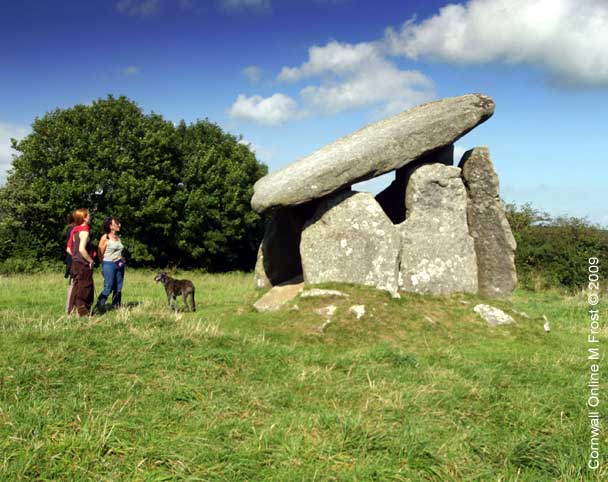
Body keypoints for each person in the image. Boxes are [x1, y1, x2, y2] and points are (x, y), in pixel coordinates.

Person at [67, 208, 95, 316]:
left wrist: (76, 257)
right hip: (83, 264)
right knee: (85, 287)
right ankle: (83, 312)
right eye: (88, 215)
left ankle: (72, 311)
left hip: (75, 263)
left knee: (76, 286)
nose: (90, 217)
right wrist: (90, 260)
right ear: (84, 217)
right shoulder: (84, 231)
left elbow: (69, 249)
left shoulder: (75, 231)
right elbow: (81, 249)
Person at [94, 216, 125, 311]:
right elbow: (100, 252)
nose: (119, 224)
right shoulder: (105, 237)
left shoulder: (118, 238)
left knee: (118, 286)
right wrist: (103, 265)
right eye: (116, 223)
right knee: (109, 286)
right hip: (108, 264)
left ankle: (116, 305)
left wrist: (122, 259)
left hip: (119, 263)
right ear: (110, 226)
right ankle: (99, 305)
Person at [64, 211, 76, 313]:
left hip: (72, 259)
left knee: (74, 283)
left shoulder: (70, 228)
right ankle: (69, 308)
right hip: (74, 260)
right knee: (73, 284)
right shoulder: (73, 229)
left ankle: (73, 307)